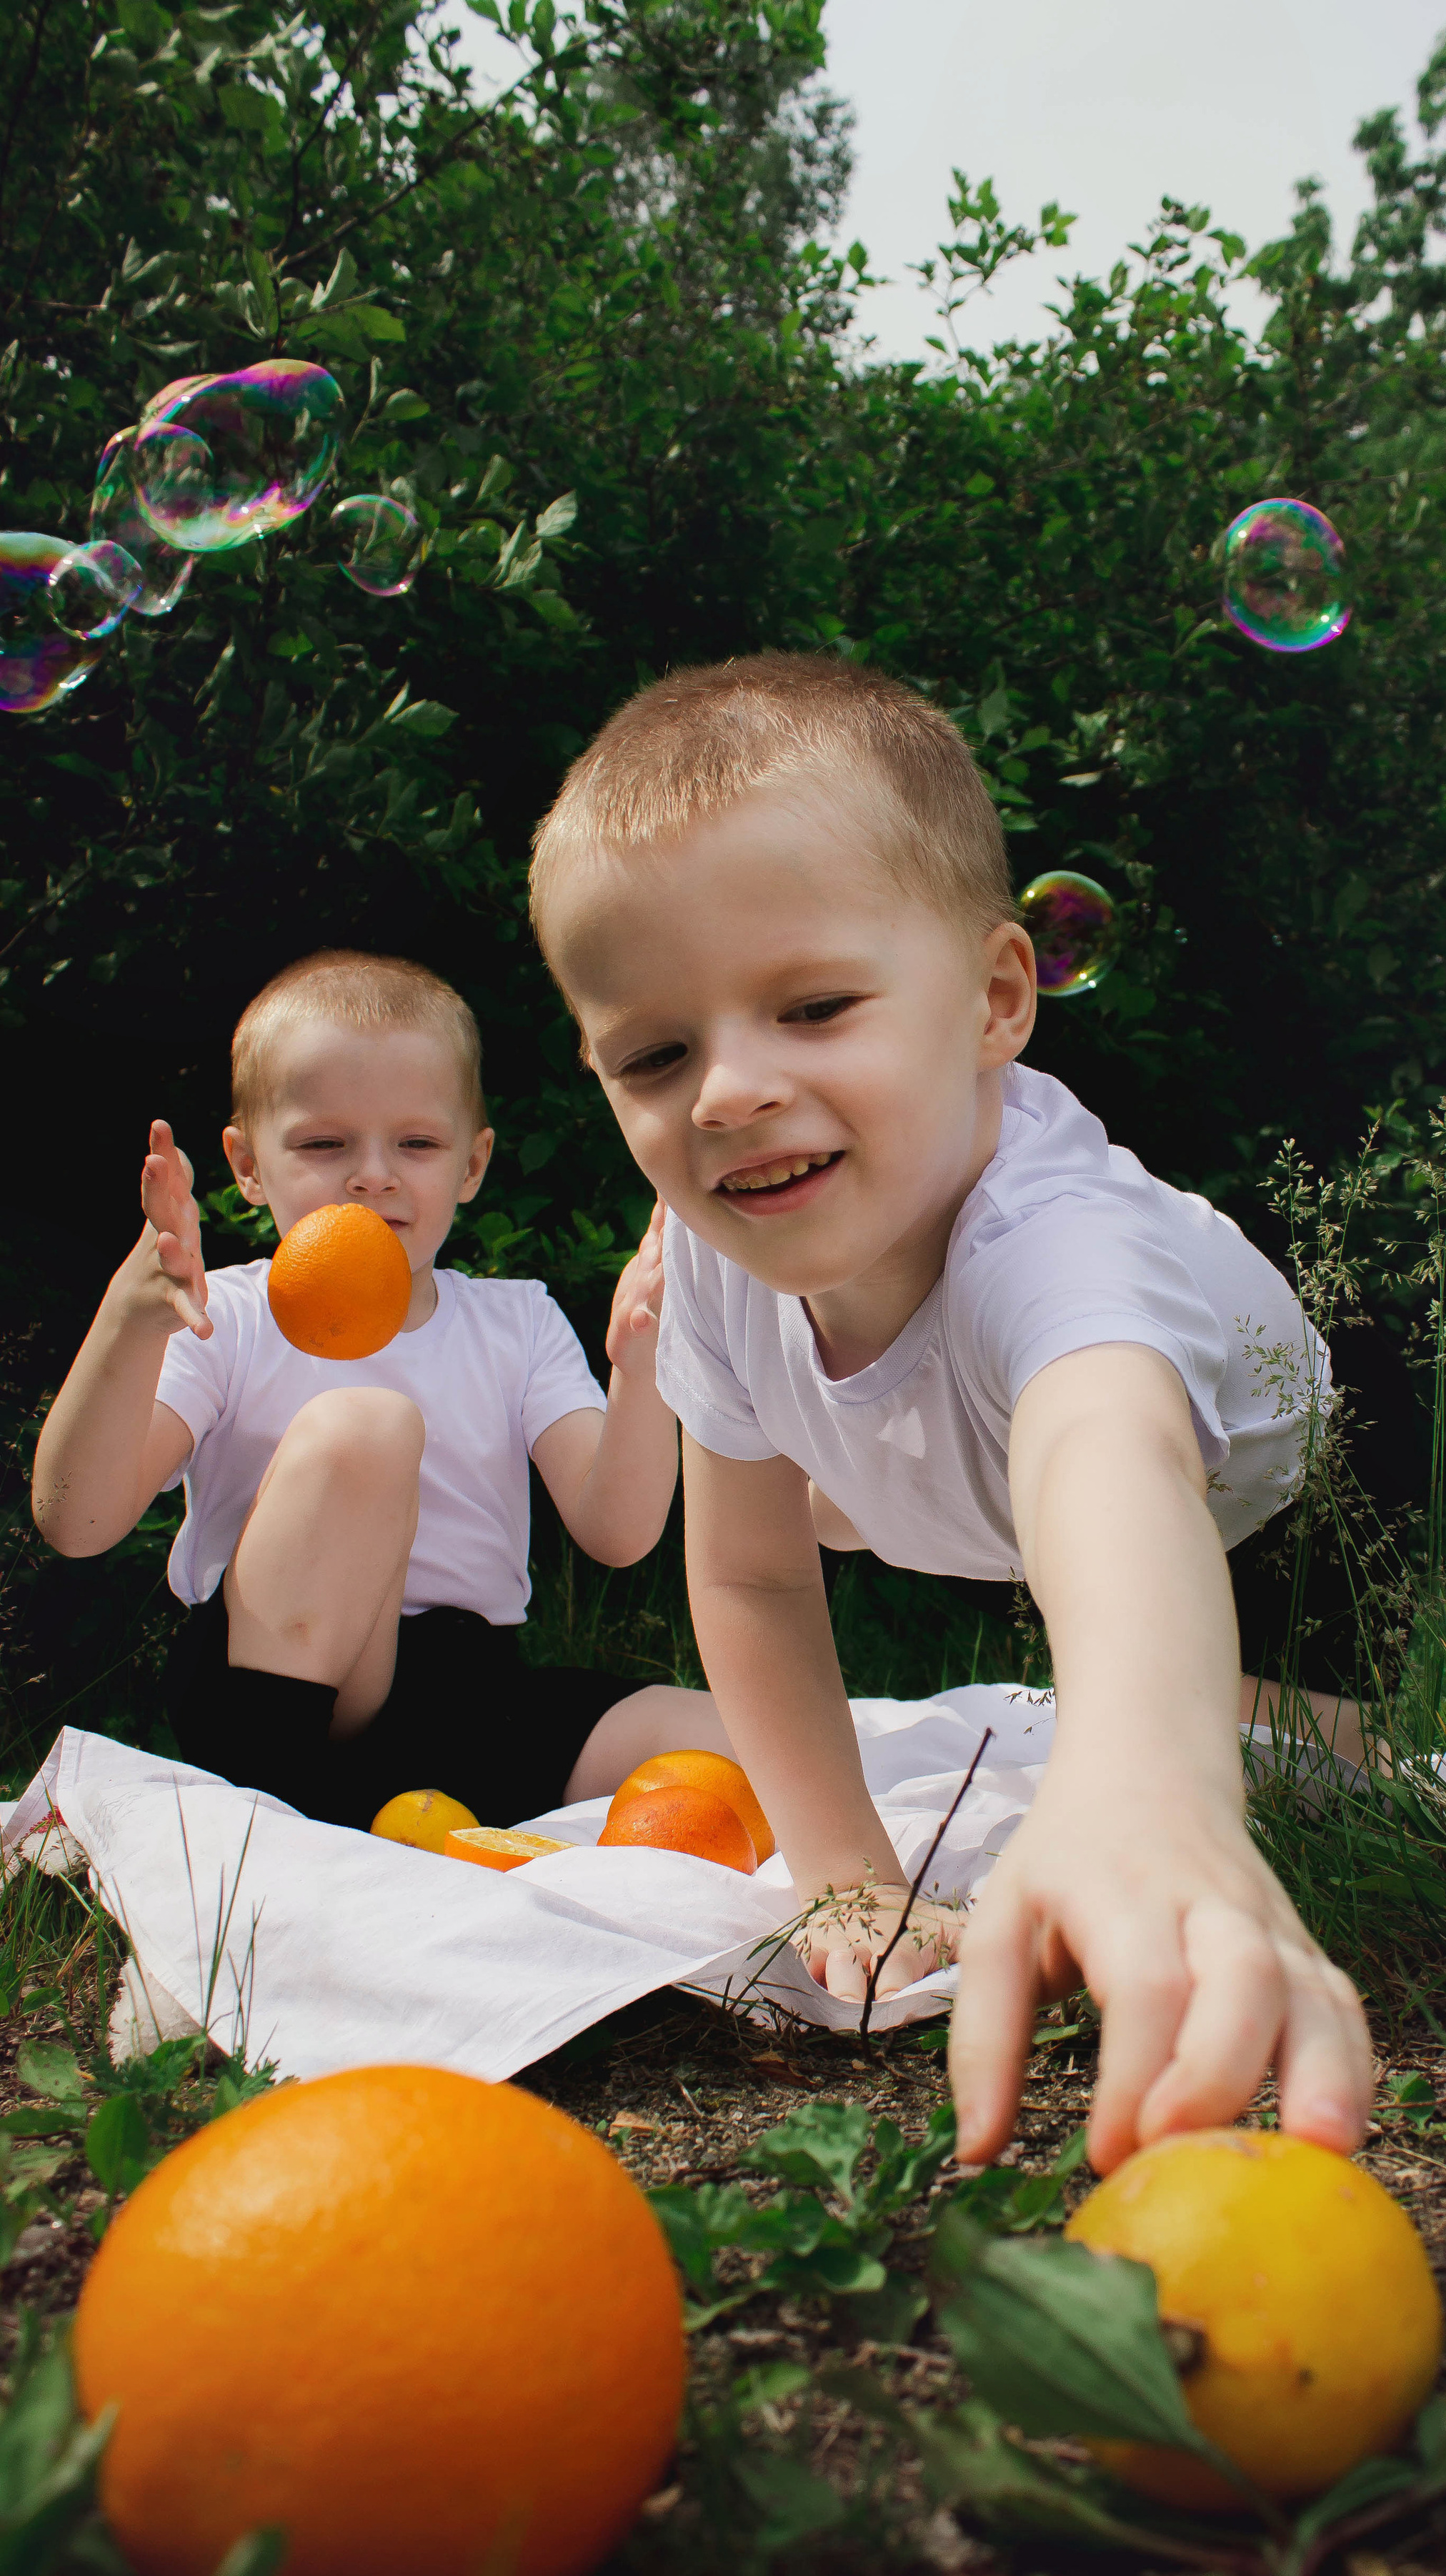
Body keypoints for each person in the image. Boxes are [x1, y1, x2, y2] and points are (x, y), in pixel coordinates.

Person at [528, 652, 1376, 2174]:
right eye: (655, 1054)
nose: (726, 1091)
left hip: (1273, 1495)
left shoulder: (1056, 1246)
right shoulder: (720, 1261)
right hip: (962, 1487)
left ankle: (1276, 1738)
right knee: (842, 1505)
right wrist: (846, 1876)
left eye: (811, 1006)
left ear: (995, 1000)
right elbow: (746, 1572)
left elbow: (1101, 1453)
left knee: (1321, 1767)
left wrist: (1147, 1793)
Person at [31, 950, 724, 1830]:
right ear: (247, 1166)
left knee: (733, 1746)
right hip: (270, 1693)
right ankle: (279, 1826)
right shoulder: (225, 1318)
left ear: (472, 1166)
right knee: (368, 1425)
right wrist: (129, 1325)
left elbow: (618, 1533)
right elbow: (78, 1520)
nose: (374, 1175)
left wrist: (640, 1366)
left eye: (418, 1143)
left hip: (464, 1698)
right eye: (325, 1144)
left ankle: (383, 1818)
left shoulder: (516, 1322)